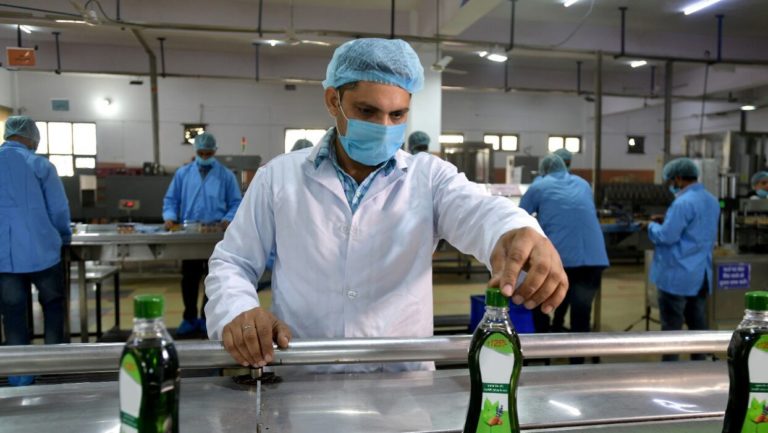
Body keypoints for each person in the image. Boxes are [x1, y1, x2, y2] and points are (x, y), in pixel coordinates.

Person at [204, 38, 568, 373]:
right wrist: (239, 311)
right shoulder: (278, 178)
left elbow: (477, 209)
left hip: (401, 382)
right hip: (304, 374)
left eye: (397, 115)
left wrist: (516, 230)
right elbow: (233, 261)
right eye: (367, 111)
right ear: (333, 101)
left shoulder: (429, 178)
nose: (383, 126)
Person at [0, 116, 71, 386]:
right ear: (31, 138)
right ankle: (53, 365)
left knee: (12, 311)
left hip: (4, 257)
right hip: (43, 251)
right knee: (52, 305)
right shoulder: (40, 165)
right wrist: (64, 235)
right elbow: (59, 209)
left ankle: (19, 374)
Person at [519, 154, 608, 363]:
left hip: (561, 260)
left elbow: (518, 216)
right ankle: (577, 365)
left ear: (543, 170)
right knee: (581, 315)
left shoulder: (539, 186)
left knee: (542, 305)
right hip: (594, 258)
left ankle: (543, 356)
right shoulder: (583, 183)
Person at [162, 132, 242, 336]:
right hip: (189, 233)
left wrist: (228, 218)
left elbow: (236, 202)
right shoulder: (183, 174)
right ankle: (189, 318)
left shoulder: (226, 175)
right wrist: (170, 217)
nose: (205, 156)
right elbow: (171, 199)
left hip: (217, 235)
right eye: (201, 153)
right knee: (189, 277)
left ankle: (208, 320)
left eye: (208, 153)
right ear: (196, 151)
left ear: (215, 151)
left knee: (214, 278)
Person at [647, 157, 719, 361]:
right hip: (700, 274)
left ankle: (670, 372)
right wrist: (667, 220)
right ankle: (700, 368)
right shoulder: (711, 200)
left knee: (672, 329)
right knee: (698, 327)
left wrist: (651, 227)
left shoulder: (682, 203)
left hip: (676, 275)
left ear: (678, 178)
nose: (671, 186)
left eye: (671, 181)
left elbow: (666, 237)